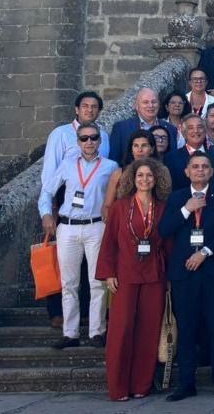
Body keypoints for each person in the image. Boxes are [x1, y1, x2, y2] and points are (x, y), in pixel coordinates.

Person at [95, 157, 170, 401]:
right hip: (125, 274)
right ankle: (117, 387)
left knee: (149, 330)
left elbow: (169, 243)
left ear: (156, 179)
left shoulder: (162, 207)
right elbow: (109, 243)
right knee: (121, 330)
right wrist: (108, 273)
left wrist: (170, 276)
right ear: (132, 179)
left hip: (154, 275)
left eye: (149, 175)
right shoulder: (120, 206)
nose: (145, 179)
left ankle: (141, 384)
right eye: (140, 176)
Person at [160, 153, 214, 401]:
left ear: (212, 172)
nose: (200, 170)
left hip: (213, 272)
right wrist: (185, 210)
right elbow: (163, 229)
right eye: (195, 167)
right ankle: (186, 383)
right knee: (187, 328)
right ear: (187, 172)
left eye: (205, 167)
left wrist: (205, 252)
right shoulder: (177, 198)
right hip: (184, 274)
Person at [40, 121, 117, 350]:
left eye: (93, 138)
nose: (89, 142)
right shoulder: (66, 164)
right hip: (69, 226)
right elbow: (47, 191)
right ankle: (70, 333)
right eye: (84, 138)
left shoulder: (110, 166)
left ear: (100, 141)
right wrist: (46, 214)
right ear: (78, 142)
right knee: (69, 282)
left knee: (97, 282)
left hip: (96, 226)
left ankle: (97, 331)